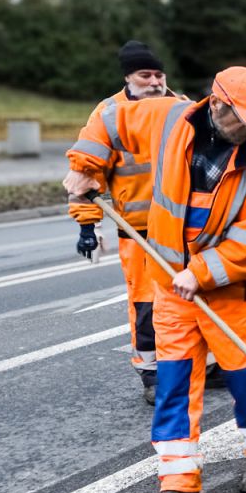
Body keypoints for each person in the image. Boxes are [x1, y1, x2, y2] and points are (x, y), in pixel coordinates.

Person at [64, 66, 246, 493]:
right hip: (170, 288)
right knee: (174, 386)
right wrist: (84, 170)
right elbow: (108, 120)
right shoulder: (169, 120)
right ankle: (179, 481)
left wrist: (200, 272)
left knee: (245, 379)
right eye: (242, 120)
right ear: (217, 104)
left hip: (227, 293)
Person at [67, 41, 176, 405]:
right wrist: (86, 225)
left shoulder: (180, 108)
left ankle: (203, 366)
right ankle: (152, 373)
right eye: (145, 75)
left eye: (159, 75)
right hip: (138, 231)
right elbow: (85, 171)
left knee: (191, 299)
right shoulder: (109, 114)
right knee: (146, 304)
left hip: (182, 229)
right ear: (128, 77)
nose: (154, 82)